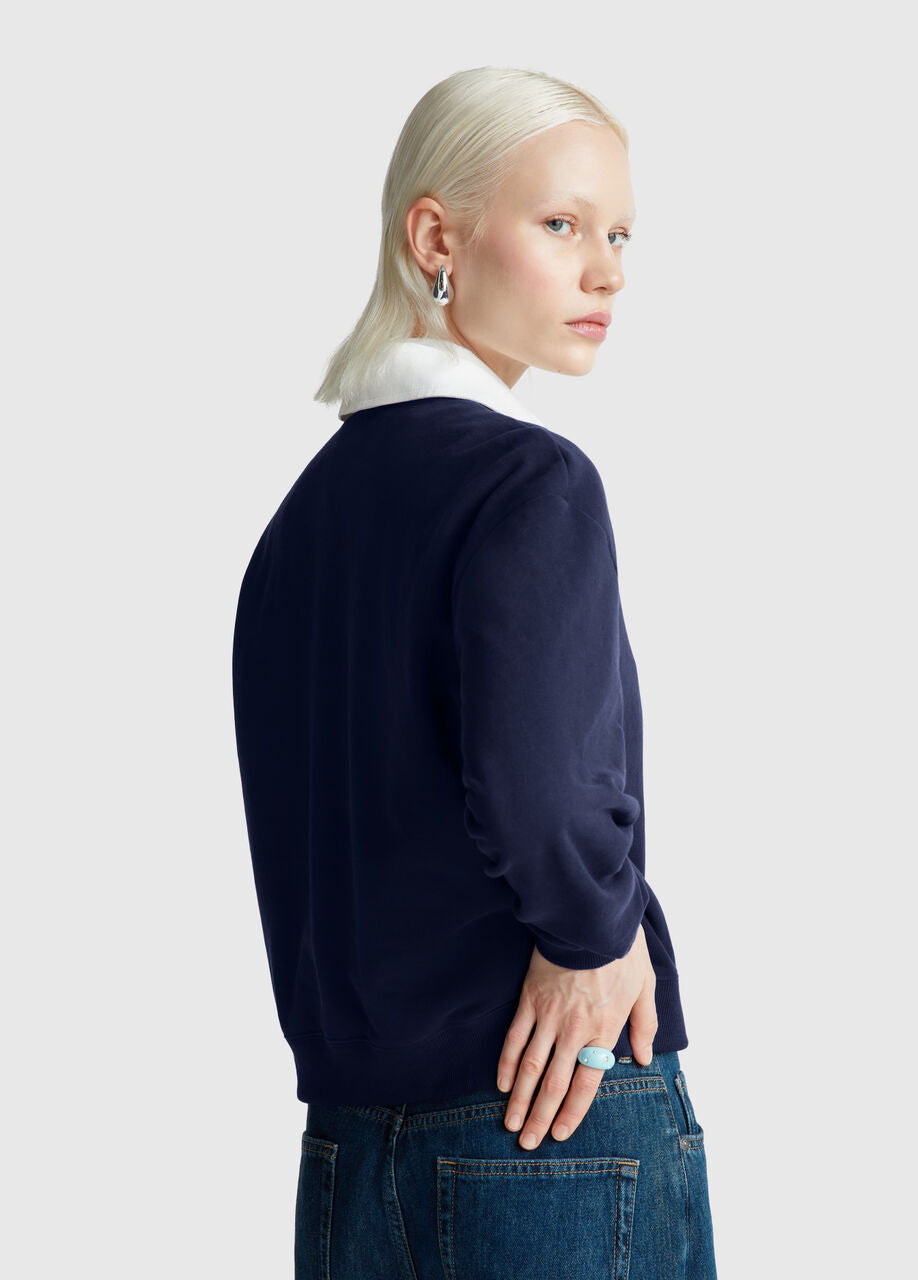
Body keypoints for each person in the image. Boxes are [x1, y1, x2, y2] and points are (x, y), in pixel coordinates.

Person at [232, 65, 718, 1279]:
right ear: (436, 238)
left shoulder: (299, 528)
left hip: (351, 1150)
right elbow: (536, 786)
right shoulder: (527, 482)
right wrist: (593, 933)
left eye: (620, 234)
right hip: (549, 1121)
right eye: (561, 224)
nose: (607, 271)